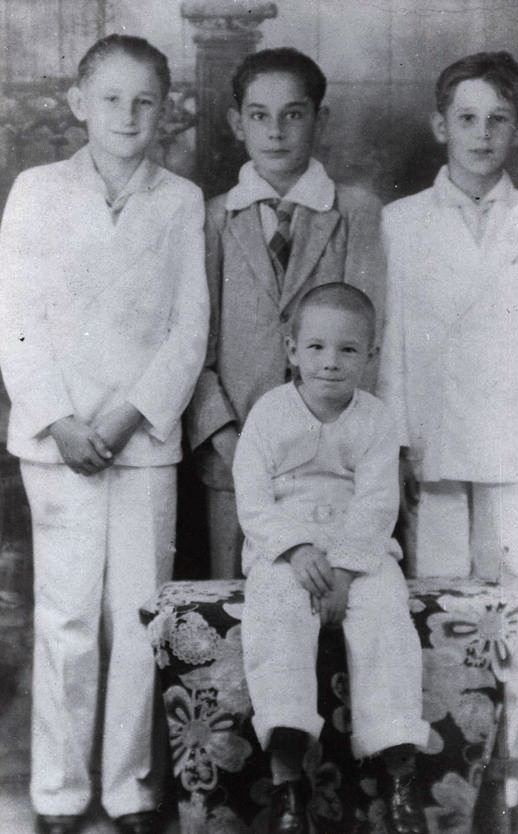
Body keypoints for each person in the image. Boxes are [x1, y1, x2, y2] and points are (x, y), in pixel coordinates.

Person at [0, 34, 209, 834]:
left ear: (166, 112)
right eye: (112, 98)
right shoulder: (37, 191)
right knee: (65, 618)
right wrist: (61, 420)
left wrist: (125, 420)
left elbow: (189, 332)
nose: (128, 114)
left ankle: (128, 787)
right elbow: (16, 320)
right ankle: (57, 789)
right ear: (78, 103)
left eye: (145, 100)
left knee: (137, 616)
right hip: (59, 445)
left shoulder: (180, 200)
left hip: (142, 441)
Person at [378, 51, 518, 825]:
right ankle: (443, 778)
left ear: (516, 130)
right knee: (436, 614)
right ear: (440, 126)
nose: (481, 134)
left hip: (510, 453)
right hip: (431, 452)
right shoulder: (401, 223)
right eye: (466, 118)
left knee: (509, 617)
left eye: (497, 119)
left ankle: (506, 780)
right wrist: (396, 446)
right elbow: (391, 346)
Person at [233, 283, 429, 834]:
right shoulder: (269, 413)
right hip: (285, 551)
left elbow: (375, 503)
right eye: (315, 347)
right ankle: (287, 777)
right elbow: (252, 497)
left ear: (371, 355)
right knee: (275, 613)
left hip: (357, 552)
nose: (330, 363)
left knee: (386, 613)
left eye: (348, 350)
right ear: (292, 350)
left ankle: (398, 775)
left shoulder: (376, 418)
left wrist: (344, 569)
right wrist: (293, 549)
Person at [187, 47, 386, 578]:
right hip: (233, 460)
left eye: (293, 114)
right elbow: (197, 348)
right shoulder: (213, 219)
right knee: (236, 610)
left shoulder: (355, 213)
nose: (275, 130)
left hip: (331, 464)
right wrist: (228, 440)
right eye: (259, 115)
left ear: (320, 120)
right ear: (237, 123)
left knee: (334, 597)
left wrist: (338, 444)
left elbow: (370, 342)